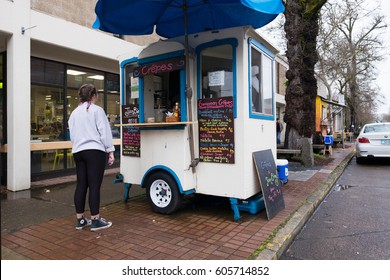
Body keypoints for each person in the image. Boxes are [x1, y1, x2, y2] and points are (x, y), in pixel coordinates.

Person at [68, 84, 115, 231]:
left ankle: (80, 220)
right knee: (94, 185)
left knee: (81, 185)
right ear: (94, 95)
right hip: (94, 151)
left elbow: (73, 134)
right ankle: (95, 220)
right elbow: (104, 132)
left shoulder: (74, 113)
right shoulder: (97, 110)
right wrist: (110, 151)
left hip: (78, 152)